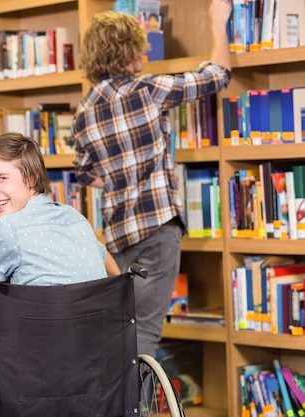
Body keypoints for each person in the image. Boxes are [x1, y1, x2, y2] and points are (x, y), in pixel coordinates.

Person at [71, 0, 232, 357]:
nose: (146, 48)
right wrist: (216, 21)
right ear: (126, 51)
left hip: (116, 236)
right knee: (144, 329)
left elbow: (83, 173)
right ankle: (133, 410)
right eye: (140, 43)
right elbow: (218, 75)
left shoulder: (85, 109)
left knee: (120, 326)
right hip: (157, 228)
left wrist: (119, 181)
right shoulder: (147, 90)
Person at [0, 133, 121, 367]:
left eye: (1, 178)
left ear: (31, 178)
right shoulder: (75, 217)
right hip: (93, 352)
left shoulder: (7, 230)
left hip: (33, 360)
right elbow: (113, 271)